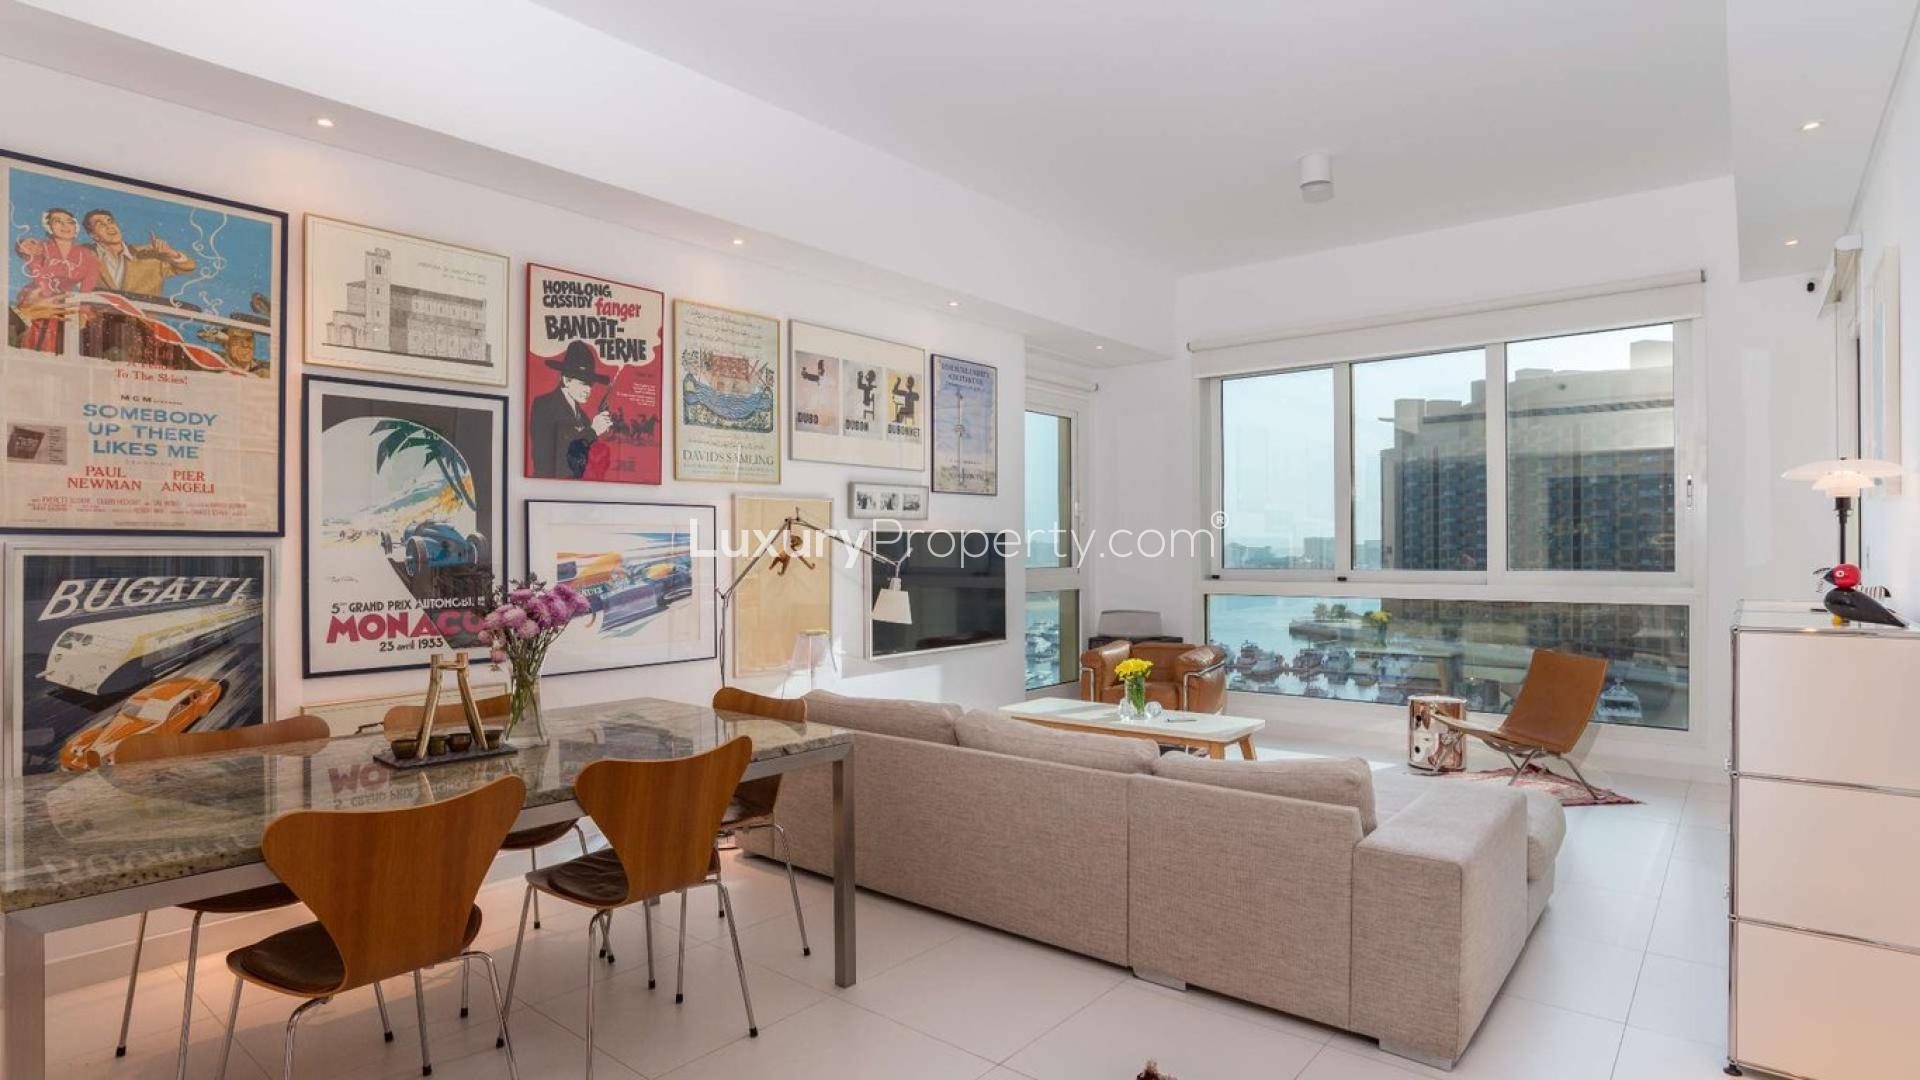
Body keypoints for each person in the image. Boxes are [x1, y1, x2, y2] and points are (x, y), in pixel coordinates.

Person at [12, 207, 100, 352]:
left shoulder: (87, 255)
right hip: (40, 297)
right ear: (49, 226)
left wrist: (83, 311)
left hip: (69, 301)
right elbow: (36, 271)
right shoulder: (40, 247)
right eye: (57, 221)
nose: (65, 226)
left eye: (69, 222)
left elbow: (88, 285)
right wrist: (47, 296)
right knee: (41, 337)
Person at [529, 340, 611, 478]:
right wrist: (593, 431)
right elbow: (556, 457)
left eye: (590, 384)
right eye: (583, 383)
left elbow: (586, 463)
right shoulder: (544, 405)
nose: (588, 390)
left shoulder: (583, 417)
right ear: (566, 381)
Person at [82, 209, 194, 297]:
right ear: (93, 235)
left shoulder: (149, 254)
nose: (109, 226)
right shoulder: (85, 255)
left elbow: (188, 266)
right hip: (98, 323)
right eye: (100, 225)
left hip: (145, 323)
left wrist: (170, 253)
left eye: (110, 221)